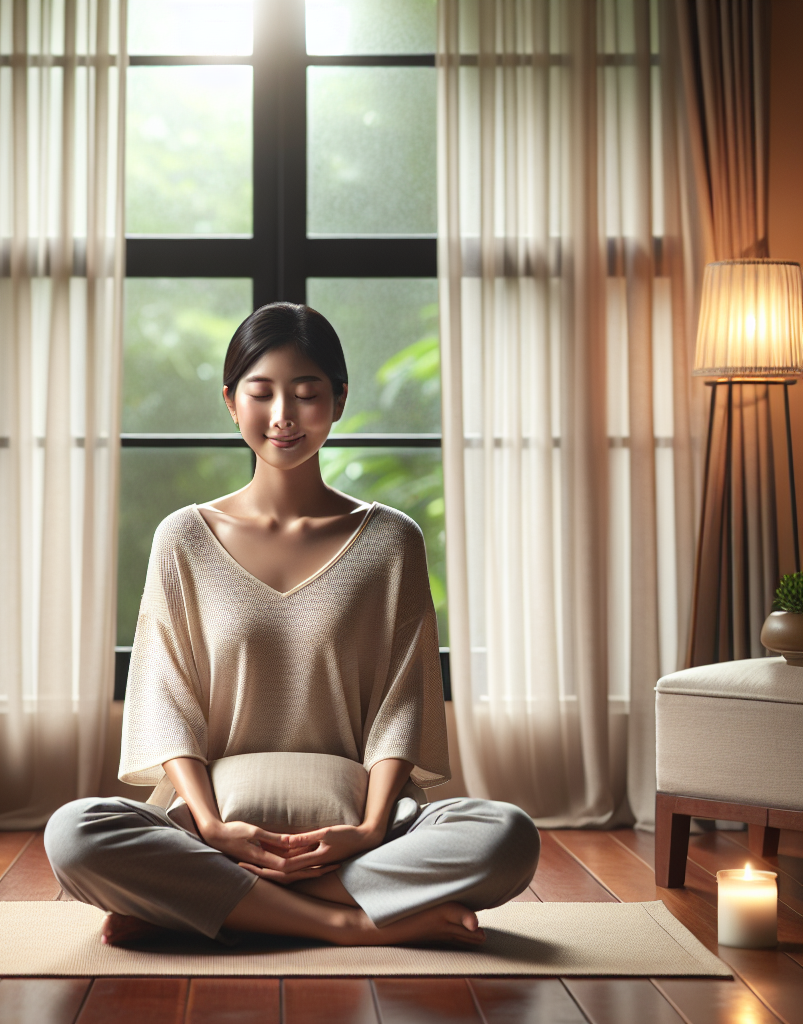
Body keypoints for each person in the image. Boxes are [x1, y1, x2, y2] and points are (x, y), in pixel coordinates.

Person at [45, 302, 539, 948]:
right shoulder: (183, 539)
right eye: (262, 393)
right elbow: (166, 703)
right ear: (230, 401)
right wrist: (214, 829)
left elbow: (403, 704)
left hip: (361, 831)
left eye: (307, 394)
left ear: (337, 400)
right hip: (210, 830)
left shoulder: (391, 540)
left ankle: (201, 901)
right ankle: (346, 924)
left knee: (506, 837)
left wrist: (365, 831)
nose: (283, 417)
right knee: (75, 834)